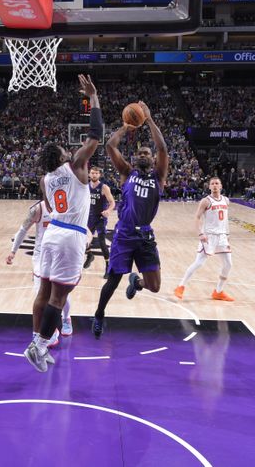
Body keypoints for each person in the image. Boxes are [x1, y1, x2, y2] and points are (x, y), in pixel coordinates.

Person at [23, 74, 103, 372]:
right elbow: (95, 134)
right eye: (63, 150)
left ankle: (37, 341)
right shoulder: (76, 166)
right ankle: (39, 346)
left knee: (44, 292)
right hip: (71, 237)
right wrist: (93, 98)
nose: (68, 150)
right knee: (59, 297)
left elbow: (49, 202)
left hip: (51, 233)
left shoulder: (45, 180)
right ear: (60, 156)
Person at [91, 101, 169, 339]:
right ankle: (99, 315)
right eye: (140, 153)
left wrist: (149, 118)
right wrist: (126, 127)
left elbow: (163, 149)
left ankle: (137, 283)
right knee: (113, 281)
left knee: (154, 286)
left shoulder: (159, 175)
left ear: (152, 159)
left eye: (147, 153)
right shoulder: (127, 172)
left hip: (145, 235)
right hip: (124, 234)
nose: (144, 154)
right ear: (135, 158)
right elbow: (110, 145)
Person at [6, 199, 70, 340]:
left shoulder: (67, 205)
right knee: (40, 293)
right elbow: (23, 229)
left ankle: (66, 318)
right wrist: (13, 251)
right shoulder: (37, 209)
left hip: (60, 252)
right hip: (41, 255)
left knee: (62, 292)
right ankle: (48, 331)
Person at [174, 176, 235, 302]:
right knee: (199, 263)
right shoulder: (205, 201)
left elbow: (224, 220)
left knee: (228, 264)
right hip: (209, 236)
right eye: (212, 183)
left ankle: (218, 291)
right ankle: (180, 286)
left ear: (221, 186)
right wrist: (200, 234)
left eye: (217, 183)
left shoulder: (226, 200)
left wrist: (227, 234)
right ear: (209, 186)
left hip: (222, 236)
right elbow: (197, 218)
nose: (214, 185)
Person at [83, 167, 115, 278]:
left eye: (96, 173)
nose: (94, 175)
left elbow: (112, 202)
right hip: (88, 217)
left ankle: (108, 266)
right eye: (92, 173)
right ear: (89, 174)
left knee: (102, 242)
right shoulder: (85, 187)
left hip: (100, 218)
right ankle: (90, 255)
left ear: (99, 175)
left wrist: (108, 210)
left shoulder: (104, 187)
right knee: (83, 240)